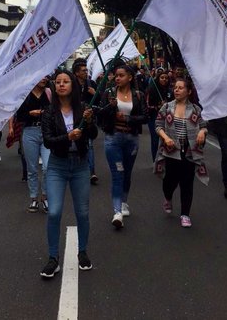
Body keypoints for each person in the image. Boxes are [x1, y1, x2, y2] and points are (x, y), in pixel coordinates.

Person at [40, 69, 97, 278]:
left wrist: (89, 122)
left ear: (73, 85)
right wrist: (68, 136)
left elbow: (93, 134)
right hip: (57, 165)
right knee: (54, 212)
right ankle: (53, 258)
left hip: (81, 166)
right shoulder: (48, 112)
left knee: (82, 212)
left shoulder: (83, 108)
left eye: (65, 82)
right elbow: (48, 141)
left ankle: (82, 252)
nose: (61, 85)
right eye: (58, 82)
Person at [97, 62, 147, 228]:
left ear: (130, 77)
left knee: (127, 173)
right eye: (116, 75)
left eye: (121, 75)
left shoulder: (138, 95)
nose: (117, 78)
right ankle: (117, 212)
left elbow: (145, 117)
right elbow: (100, 114)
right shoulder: (109, 93)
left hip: (131, 139)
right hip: (113, 139)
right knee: (118, 173)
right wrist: (110, 108)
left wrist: (127, 118)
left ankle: (124, 202)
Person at [154, 78, 208, 227]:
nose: (176, 90)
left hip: (189, 152)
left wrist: (202, 132)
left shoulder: (196, 109)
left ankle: (185, 214)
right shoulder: (166, 107)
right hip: (171, 152)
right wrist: (166, 138)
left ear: (188, 91)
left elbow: (204, 125)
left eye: (180, 88)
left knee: (187, 183)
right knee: (169, 181)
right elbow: (158, 125)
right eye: (175, 87)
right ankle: (168, 197)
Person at [17, 77, 52, 213]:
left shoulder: (49, 92)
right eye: (41, 76)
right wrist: (30, 113)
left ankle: (45, 197)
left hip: (46, 132)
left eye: (46, 76)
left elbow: (55, 111)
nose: (44, 79)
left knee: (47, 167)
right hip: (29, 132)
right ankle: (33, 198)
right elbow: (19, 116)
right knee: (31, 168)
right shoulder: (25, 93)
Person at [72, 58, 99, 184]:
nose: (86, 72)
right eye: (83, 70)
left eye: (86, 70)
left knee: (90, 144)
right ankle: (77, 169)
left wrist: (95, 94)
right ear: (76, 73)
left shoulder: (91, 83)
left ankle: (91, 171)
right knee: (76, 142)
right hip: (75, 118)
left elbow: (100, 100)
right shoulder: (71, 84)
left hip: (88, 117)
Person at [146, 68, 174, 162]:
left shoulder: (170, 91)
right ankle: (156, 160)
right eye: (162, 77)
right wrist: (158, 106)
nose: (164, 79)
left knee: (166, 138)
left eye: (166, 78)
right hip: (154, 117)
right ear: (158, 78)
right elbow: (147, 105)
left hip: (168, 118)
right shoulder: (152, 89)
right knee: (155, 139)